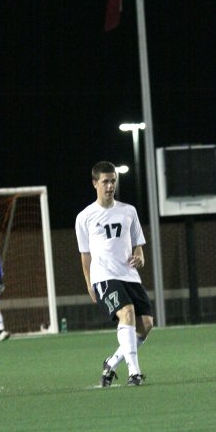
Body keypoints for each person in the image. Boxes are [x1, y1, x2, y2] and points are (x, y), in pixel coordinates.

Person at [75, 161, 153, 386]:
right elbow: (85, 255)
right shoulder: (85, 217)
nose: (110, 186)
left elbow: (138, 244)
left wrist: (141, 256)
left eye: (113, 181)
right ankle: (134, 372)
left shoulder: (128, 211)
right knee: (126, 312)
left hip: (129, 275)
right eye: (105, 181)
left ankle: (111, 363)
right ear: (95, 183)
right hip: (104, 276)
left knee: (146, 325)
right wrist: (89, 284)